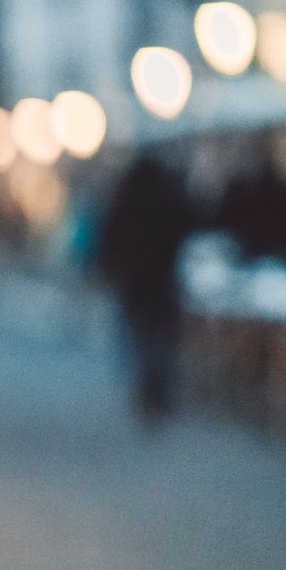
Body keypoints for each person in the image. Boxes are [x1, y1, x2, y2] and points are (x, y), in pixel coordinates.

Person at [99, 151, 198, 421]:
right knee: (162, 338)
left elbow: (110, 242)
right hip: (163, 284)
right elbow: (191, 223)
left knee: (140, 337)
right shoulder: (169, 202)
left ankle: (146, 384)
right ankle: (159, 386)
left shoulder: (125, 203)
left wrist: (112, 270)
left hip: (135, 285)